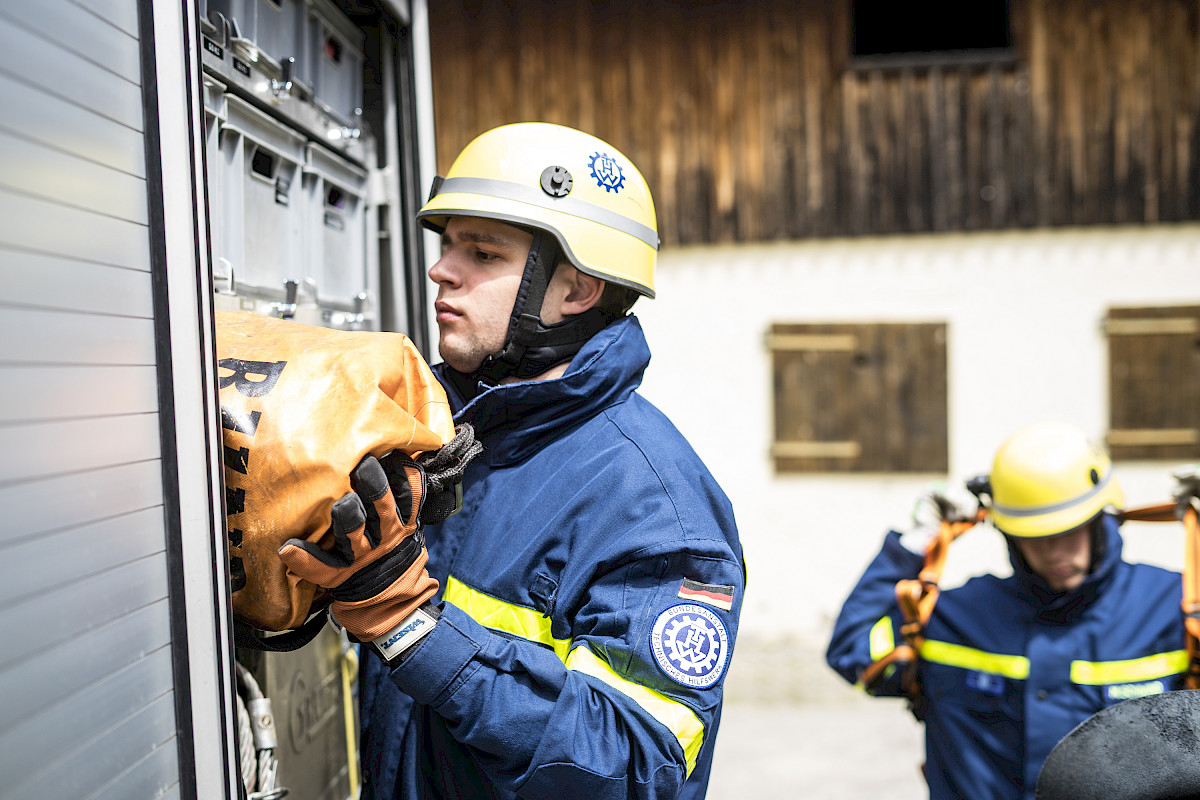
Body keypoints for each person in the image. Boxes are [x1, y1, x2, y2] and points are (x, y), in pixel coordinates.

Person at [279, 122, 745, 799]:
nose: (442, 268)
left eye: (482, 252)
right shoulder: (431, 434)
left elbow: (634, 768)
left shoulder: (656, 507)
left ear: (576, 291)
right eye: (447, 245)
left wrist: (409, 629)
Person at [826, 421, 1187, 800]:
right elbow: (852, 647)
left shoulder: (1172, 607)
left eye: (1069, 530)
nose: (1054, 551)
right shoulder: (955, 617)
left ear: (1101, 519)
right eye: (1035, 536)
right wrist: (913, 545)